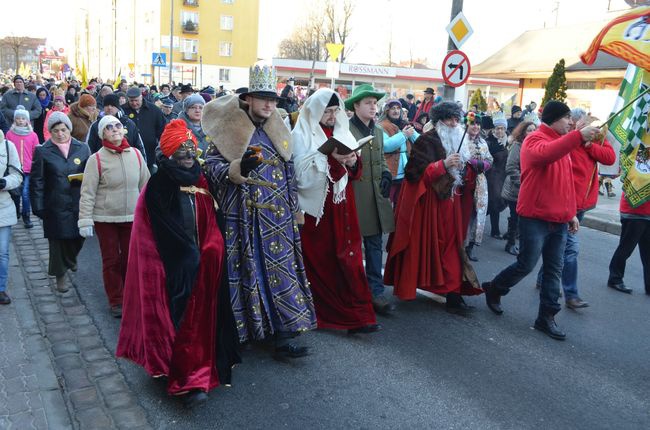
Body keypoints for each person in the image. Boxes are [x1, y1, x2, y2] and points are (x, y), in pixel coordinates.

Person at [116, 119, 240, 409]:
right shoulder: (159, 185)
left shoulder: (201, 180)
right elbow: (158, 230)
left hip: (202, 265)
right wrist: (186, 258)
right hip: (171, 268)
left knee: (203, 318)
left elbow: (213, 219)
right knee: (178, 318)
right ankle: (184, 378)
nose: (187, 155)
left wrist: (212, 247)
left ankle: (203, 367)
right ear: (169, 153)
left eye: (190, 149)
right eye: (181, 150)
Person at [203, 65, 316, 359]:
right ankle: (246, 331)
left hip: (277, 219)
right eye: (263, 98)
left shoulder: (279, 129)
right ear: (249, 99)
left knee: (280, 273)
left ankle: (283, 335)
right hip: (244, 219)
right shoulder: (230, 128)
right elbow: (211, 168)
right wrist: (236, 169)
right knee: (247, 272)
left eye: (273, 100)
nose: (269, 104)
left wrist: (295, 210)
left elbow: (289, 171)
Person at [482, 101, 599, 340]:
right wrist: (577, 136)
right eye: (567, 118)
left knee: (554, 270)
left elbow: (564, 184)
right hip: (534, 216)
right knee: (526, 264)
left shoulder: (564, 144)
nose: (571, 122)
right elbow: (546, 153)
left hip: (558, 218)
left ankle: (546, 317)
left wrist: (570, 214)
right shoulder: (534, 140)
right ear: (554, 118)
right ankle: (495, 288)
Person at [292, 88, 379, 334]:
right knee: (324, 261)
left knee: (349, 257)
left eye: (334, 111)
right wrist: (332, 160)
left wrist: (352, 161)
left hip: (343, 206)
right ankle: (330, 315)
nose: (332, 116)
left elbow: (355, 173)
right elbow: (299, 174)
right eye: (327, 111)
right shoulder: (301, 135)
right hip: (318, 212)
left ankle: (359, 315)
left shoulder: (342, 131)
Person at [384, 101, 482, 315]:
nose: (454, 123)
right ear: (439, 121)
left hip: (451, 204)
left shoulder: (460, 139)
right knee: (430, 248)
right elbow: (414, 174)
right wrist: (443, 165)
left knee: (452, 248)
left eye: (457, 119)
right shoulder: (427, 140)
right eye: (450, 119)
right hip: (429, 206)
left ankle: (453, 295)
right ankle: (447, 292)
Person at [533, 108, 615, 309]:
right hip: (567, 204)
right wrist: (578, 139)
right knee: (571, 249)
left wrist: (589, 146)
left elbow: (610, 158)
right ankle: (571, 294)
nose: (588, 129)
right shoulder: (567, 140)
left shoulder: (594, 142)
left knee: (557, 246)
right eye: (579, 124)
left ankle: (544, 278)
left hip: (583, 203)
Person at [78, 115, 150, 318]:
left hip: (131, 217)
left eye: (117, 125)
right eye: (109, 127)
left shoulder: (136, 155)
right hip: (105, 218)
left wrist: (151, 213)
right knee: (111, 260)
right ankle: (116, 300)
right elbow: (88, 192)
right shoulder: (96, 159)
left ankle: (130, 295)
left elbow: (146, 186)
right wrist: (85, 220)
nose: (115, 129)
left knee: (130, 259)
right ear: (103, 134)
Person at [346, 84, 396, 316]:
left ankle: (376, 291)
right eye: (368, 102)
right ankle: (353, 290)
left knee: (375, 246)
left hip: (376, 195)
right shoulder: (345, 130)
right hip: (355, 195)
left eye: (375, 103)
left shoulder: (377, 130)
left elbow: (381, 158)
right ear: (356, 106)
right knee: (353, 247)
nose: (373, 106)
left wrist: (386, 173)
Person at [30, 112, 91, 293]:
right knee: (57, 241)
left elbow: (91, 174)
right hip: (54, 202)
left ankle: (71, 259)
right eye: (55, 131)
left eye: (63, 130)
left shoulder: (83, 148)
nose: (60, 134)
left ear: (69, 130)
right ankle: (60, 275)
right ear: (51, 132)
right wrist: (38, 206)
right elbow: (37, 180)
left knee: (78, 237)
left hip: (78, 200)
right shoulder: (43, 151)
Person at [607, 110, 649, 295]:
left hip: (647, 210)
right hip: (635, 208)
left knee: (648, 251)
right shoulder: (637, 149)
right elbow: (636, 176)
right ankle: (615, 278)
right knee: (627, 247)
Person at [501, 120, 538, 256]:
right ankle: (510, 243)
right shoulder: (518, 145)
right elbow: (511, 167)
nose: (532, 132)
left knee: (522, 218)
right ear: (523, 132)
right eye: (529, 130)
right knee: (516, 216)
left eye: (534, 130)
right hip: (516, 189)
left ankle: (512, 236)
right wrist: (522, 183)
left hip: (528, 189)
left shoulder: (535, 146)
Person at [464, 112, 493, 262]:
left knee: (477, 214)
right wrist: (472, 163)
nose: (475, 126)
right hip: (464, 182)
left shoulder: (483, 142)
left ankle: (470, 246)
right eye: (473, 123)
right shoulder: (461, 140)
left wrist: (484, 164)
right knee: (464, 213)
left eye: (478, 124)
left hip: (480, 182)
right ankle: (460, 246)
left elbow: (489, 158)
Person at [379, 99, 419, 206]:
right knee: (387, 204)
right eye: (393, 108)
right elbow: (386, 146)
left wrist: (411, 133)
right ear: (387, 110)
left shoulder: (404, 124)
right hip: (390, 171)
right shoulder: (381, 125)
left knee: (401, 204)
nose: (396, 111)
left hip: (405, 171)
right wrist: (404, 135)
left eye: (398, 108)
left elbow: (420, 142)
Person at [0, 129, 23, 305]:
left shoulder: (8, 146)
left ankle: (0, 289)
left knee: (2, 253)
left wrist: (5, 182)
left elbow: (17, 175)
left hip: (3, 207)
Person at [6, 106, 38, 229]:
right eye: (18, 118)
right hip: (14, 169)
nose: (20, 121)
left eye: (23, 119)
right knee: (15, 193)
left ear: (27, 121)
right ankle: (16, 212)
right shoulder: (10, 134)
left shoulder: (32, 135)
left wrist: (35, 165)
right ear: (14, 120)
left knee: (25, 193)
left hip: (28, 169)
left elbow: (36, 151)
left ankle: (26, 216)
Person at [86, 94, 146, 160]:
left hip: (127, 162)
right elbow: (89, 147)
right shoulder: (96, 125)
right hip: (104, 163)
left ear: (118, 107)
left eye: (112, 105)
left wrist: (142, 163)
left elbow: (139, 145)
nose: (109, 108)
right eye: (107, 105)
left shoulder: (129, 124)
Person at [122, 87, 166, 172]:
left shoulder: (154, 110)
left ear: (141, 97)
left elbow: (162, 131)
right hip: (128, 155)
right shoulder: (123, 110)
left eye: (136, 100)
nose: (134, 103)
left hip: (150, 155)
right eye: (131, 101)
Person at [485, 112, 509, 238]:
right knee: (495, 201)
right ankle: (495, 231)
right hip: (492, 177)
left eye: (503, 128)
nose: (500, 131)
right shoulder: (489, 142)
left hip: (504, 176)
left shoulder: (508, 141)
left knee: (496, 203)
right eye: (498, 128)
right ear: (494, 129)